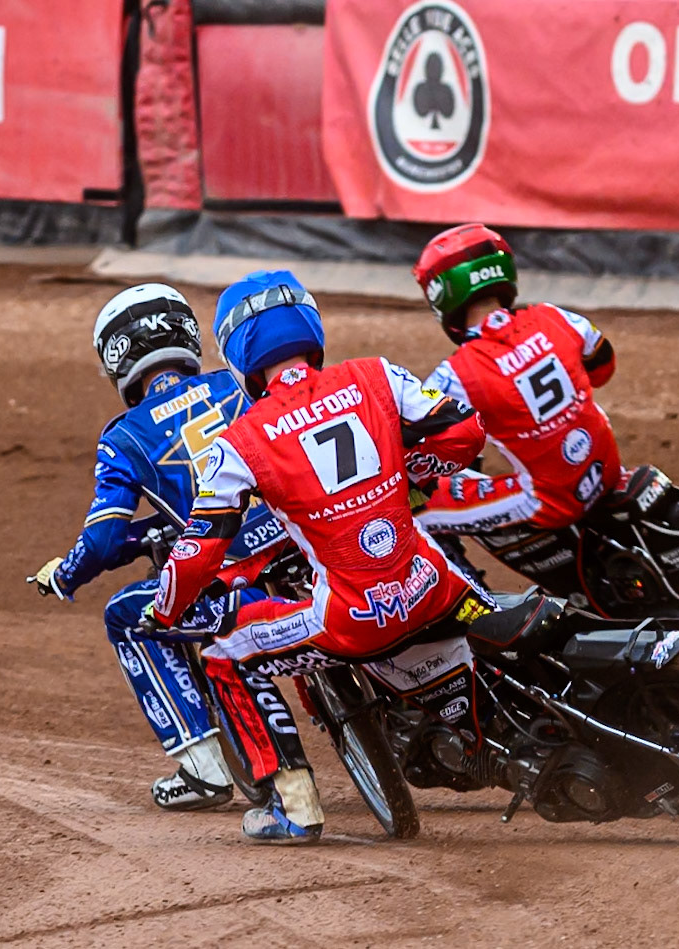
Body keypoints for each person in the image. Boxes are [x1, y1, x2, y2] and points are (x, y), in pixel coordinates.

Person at [144, 269, 492, 844]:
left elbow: (201, 546)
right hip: (433, 587)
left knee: (225, 658)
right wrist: (407, 474)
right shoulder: (376, 375)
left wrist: (166, 609)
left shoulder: (243, 439)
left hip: (352, 617)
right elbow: (465, 434)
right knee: (471, 584)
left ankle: (295, 805)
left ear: (239, 359)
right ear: (311, 328)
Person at [29, 283, 277, 813]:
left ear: (117, 360)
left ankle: (202, 769)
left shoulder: (124, 436)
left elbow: (104, 539)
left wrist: (67, 574)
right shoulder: (239, 385)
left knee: (126, 615)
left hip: (226, 571)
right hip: (304, 543)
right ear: (187, 332)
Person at [410, 223, 622, 535]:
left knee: (409, 508)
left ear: (442, 293)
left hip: (555, 501)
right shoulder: (554, 317)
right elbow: (603, 368)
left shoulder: (456, 374)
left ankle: (463, 584)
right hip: (608, 469)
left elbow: (413, 442)